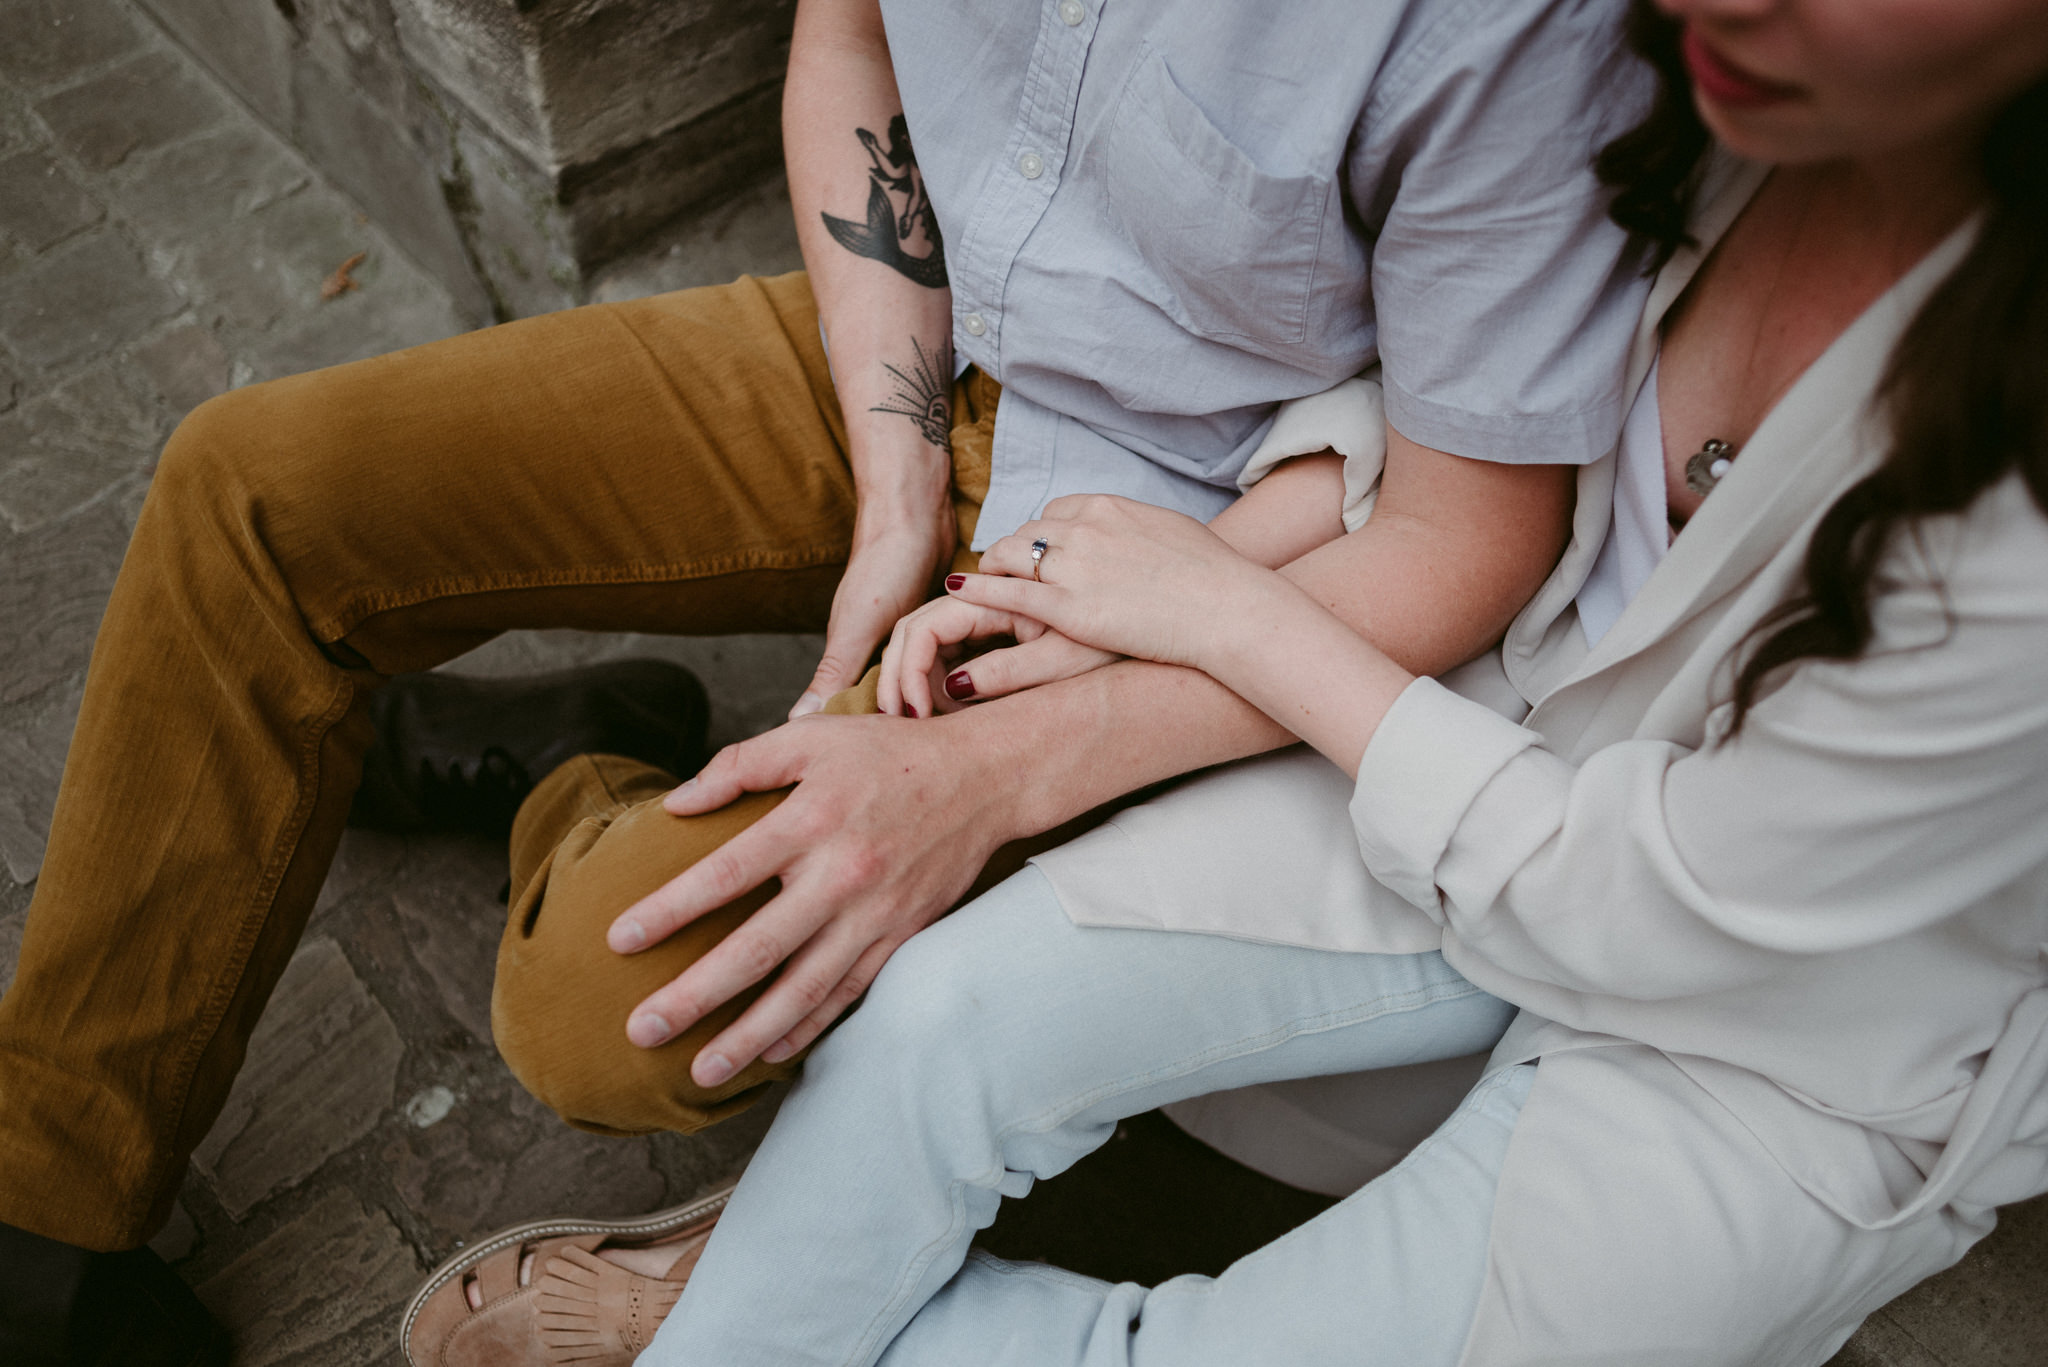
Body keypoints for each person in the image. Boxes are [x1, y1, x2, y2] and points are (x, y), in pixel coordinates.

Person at [0, 0, 1654, 1363]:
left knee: (613, 1000)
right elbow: (845, 42)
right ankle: (44, 1212)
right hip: (917, 353)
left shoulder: (1508, 28)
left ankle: (576, 784)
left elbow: (1468, 536)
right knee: (258, 490)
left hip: (1179, 535)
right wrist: (897, 473)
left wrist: (1013, 771)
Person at [424, 0, 2048, 1362]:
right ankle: (777, 1290)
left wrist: (1224, 614)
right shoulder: (1722, 92)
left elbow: (1649, 910)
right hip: (1475, 739)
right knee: (937, 1019)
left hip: (1775, 1043)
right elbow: (1459, 404)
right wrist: (1168, 583)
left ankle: (751, 1290)